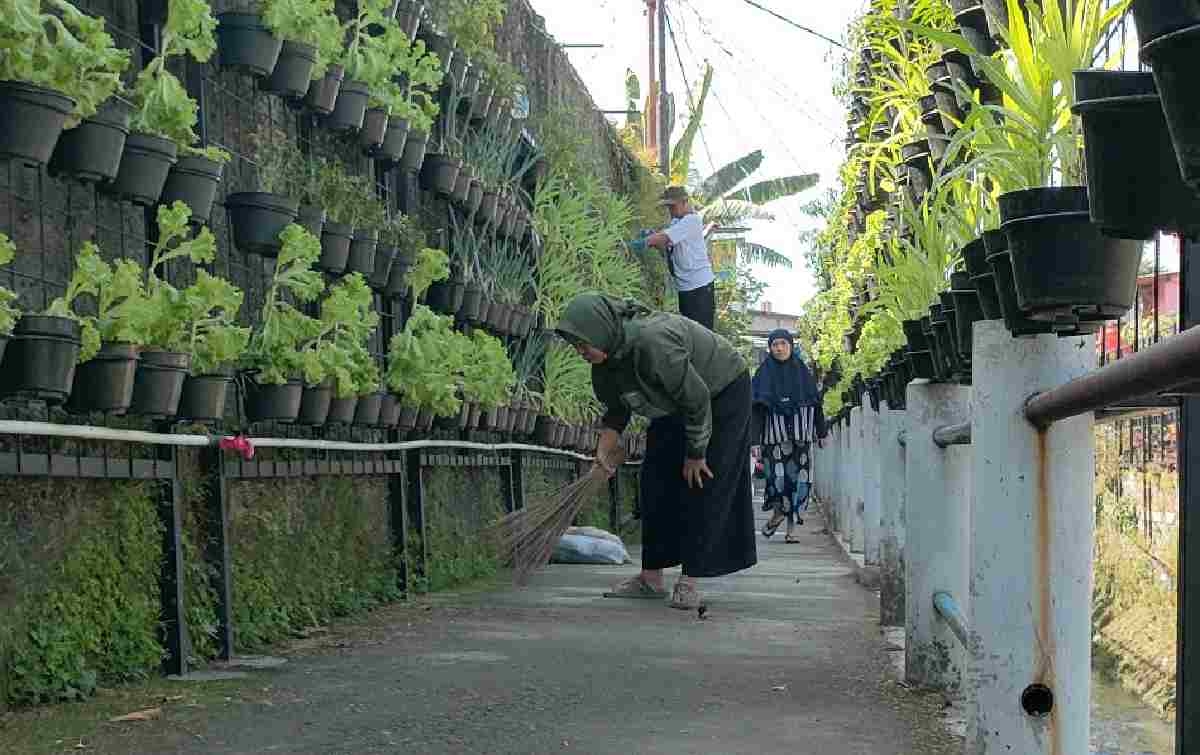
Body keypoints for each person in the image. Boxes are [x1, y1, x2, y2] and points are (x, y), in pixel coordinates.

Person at [555, 293, 756, 610]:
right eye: (576, 346)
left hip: (721, 391)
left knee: (700, 481)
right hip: (677, 400)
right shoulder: (606, 360)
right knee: (654, 481)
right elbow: (617, 410)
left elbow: (697, 399)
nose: (581, 352)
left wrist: (696, 453)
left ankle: (690, 581)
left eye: (583, 344)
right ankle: (650, 579)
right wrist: (604, 451)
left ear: (601, 330)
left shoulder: (654, 342)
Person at [751, 329, 824, 543]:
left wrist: (821, 432)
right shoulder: (763, 374)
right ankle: (778, 513)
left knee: (798, 482)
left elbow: (815, 403)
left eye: (783, 343)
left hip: (801, 436)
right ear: (770, 348)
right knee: (777, 481)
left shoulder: (803, 372)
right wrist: (754, 441)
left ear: (791, 346)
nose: (779, 348)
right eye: (775, 345)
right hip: (773, 439)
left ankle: (792, 531)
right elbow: (755, 409)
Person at [629, 186, 716, 330]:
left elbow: (664, 238)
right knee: (688, 333)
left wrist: (641, 243)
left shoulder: (692, 220)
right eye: (668, 207)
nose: (671, 210)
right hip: (685, 288)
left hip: (700, 288)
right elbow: (667, 245)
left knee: (702, 335)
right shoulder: (677, 222)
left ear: (685, 202)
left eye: (673, 206)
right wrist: (652, 238)